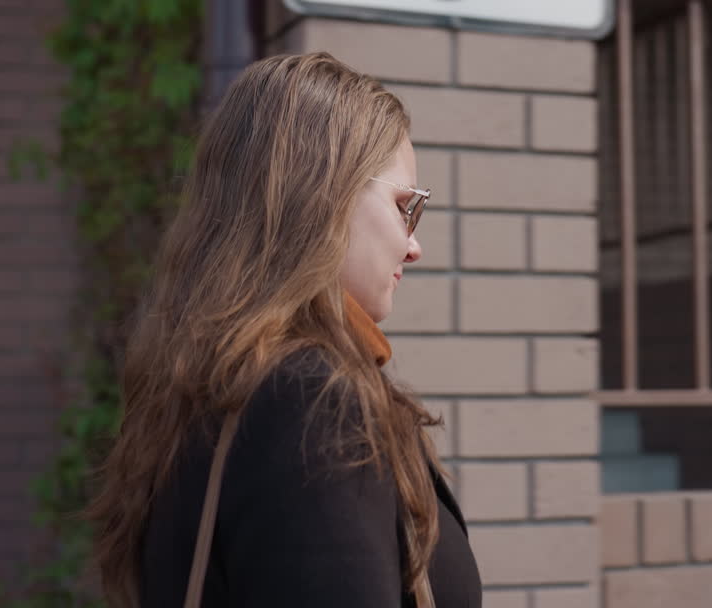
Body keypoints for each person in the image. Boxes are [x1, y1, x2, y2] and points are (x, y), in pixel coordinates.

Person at [86, 52, 482, 608]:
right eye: (403, 206)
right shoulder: (312, 401)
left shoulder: (209, 385)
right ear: (324, 195)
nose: (414, 246)